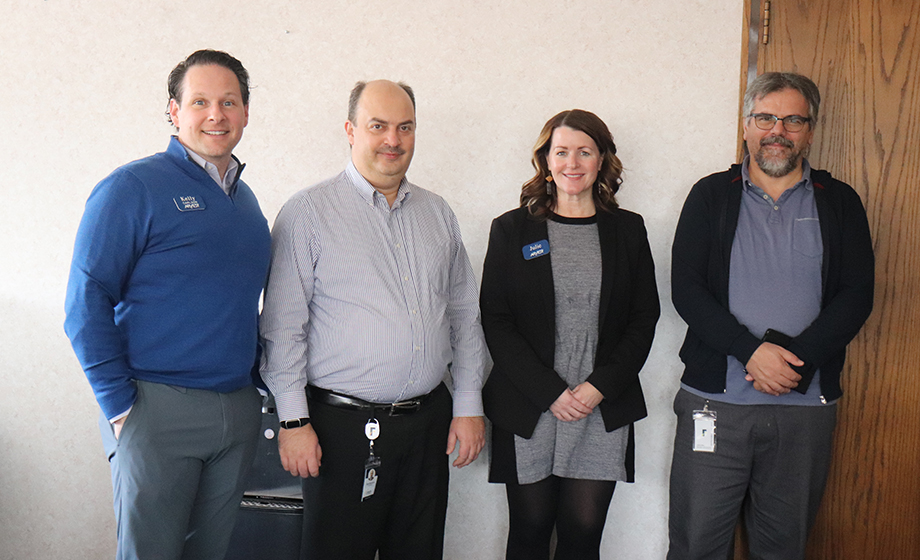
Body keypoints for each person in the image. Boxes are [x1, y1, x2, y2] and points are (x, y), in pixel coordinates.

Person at [259, 79, 487, 560]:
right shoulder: (308, 213)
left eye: (405, 127)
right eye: (378, 126)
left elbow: (465, 315)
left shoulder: (438, 213)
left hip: (427, 425)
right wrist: (293, 421)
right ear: (350, 130)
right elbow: (282, 328)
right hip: (338, 430)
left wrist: (468, 405)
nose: (393, 140)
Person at [64, 49, 271, 560]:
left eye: (229, 101)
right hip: (156, 408)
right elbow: (85, 303)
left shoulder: (246, 202)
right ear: (174, 111)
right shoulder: (132, 188)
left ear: (246, 112)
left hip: (237, 409)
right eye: (200, 101)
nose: (216, 114)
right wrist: (121, 409)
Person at [667, 72, 875, 560]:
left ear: (810, 131)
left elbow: (857, 295)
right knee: (697, 545)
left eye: (793, 120)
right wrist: (751, 353)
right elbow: (687, 290)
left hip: (804, 408)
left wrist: (794, 362)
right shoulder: (710, 195)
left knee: (782, 549)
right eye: (765, 118)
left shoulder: (840, 201)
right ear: (746, 126)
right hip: (714, 403)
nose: (777, 130)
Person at [479, 109, 661, 560]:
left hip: (601, 404)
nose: (572, 163)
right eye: (561, 152)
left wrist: (598, 388)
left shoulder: (628, 230)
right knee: (529, 530)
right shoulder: (511, 229)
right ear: (546, 159)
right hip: (529, 403)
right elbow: (496, 320)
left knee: (582, 534)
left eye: (585, 152)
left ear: (602, 160)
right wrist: (550, 392)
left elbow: (644, 318)